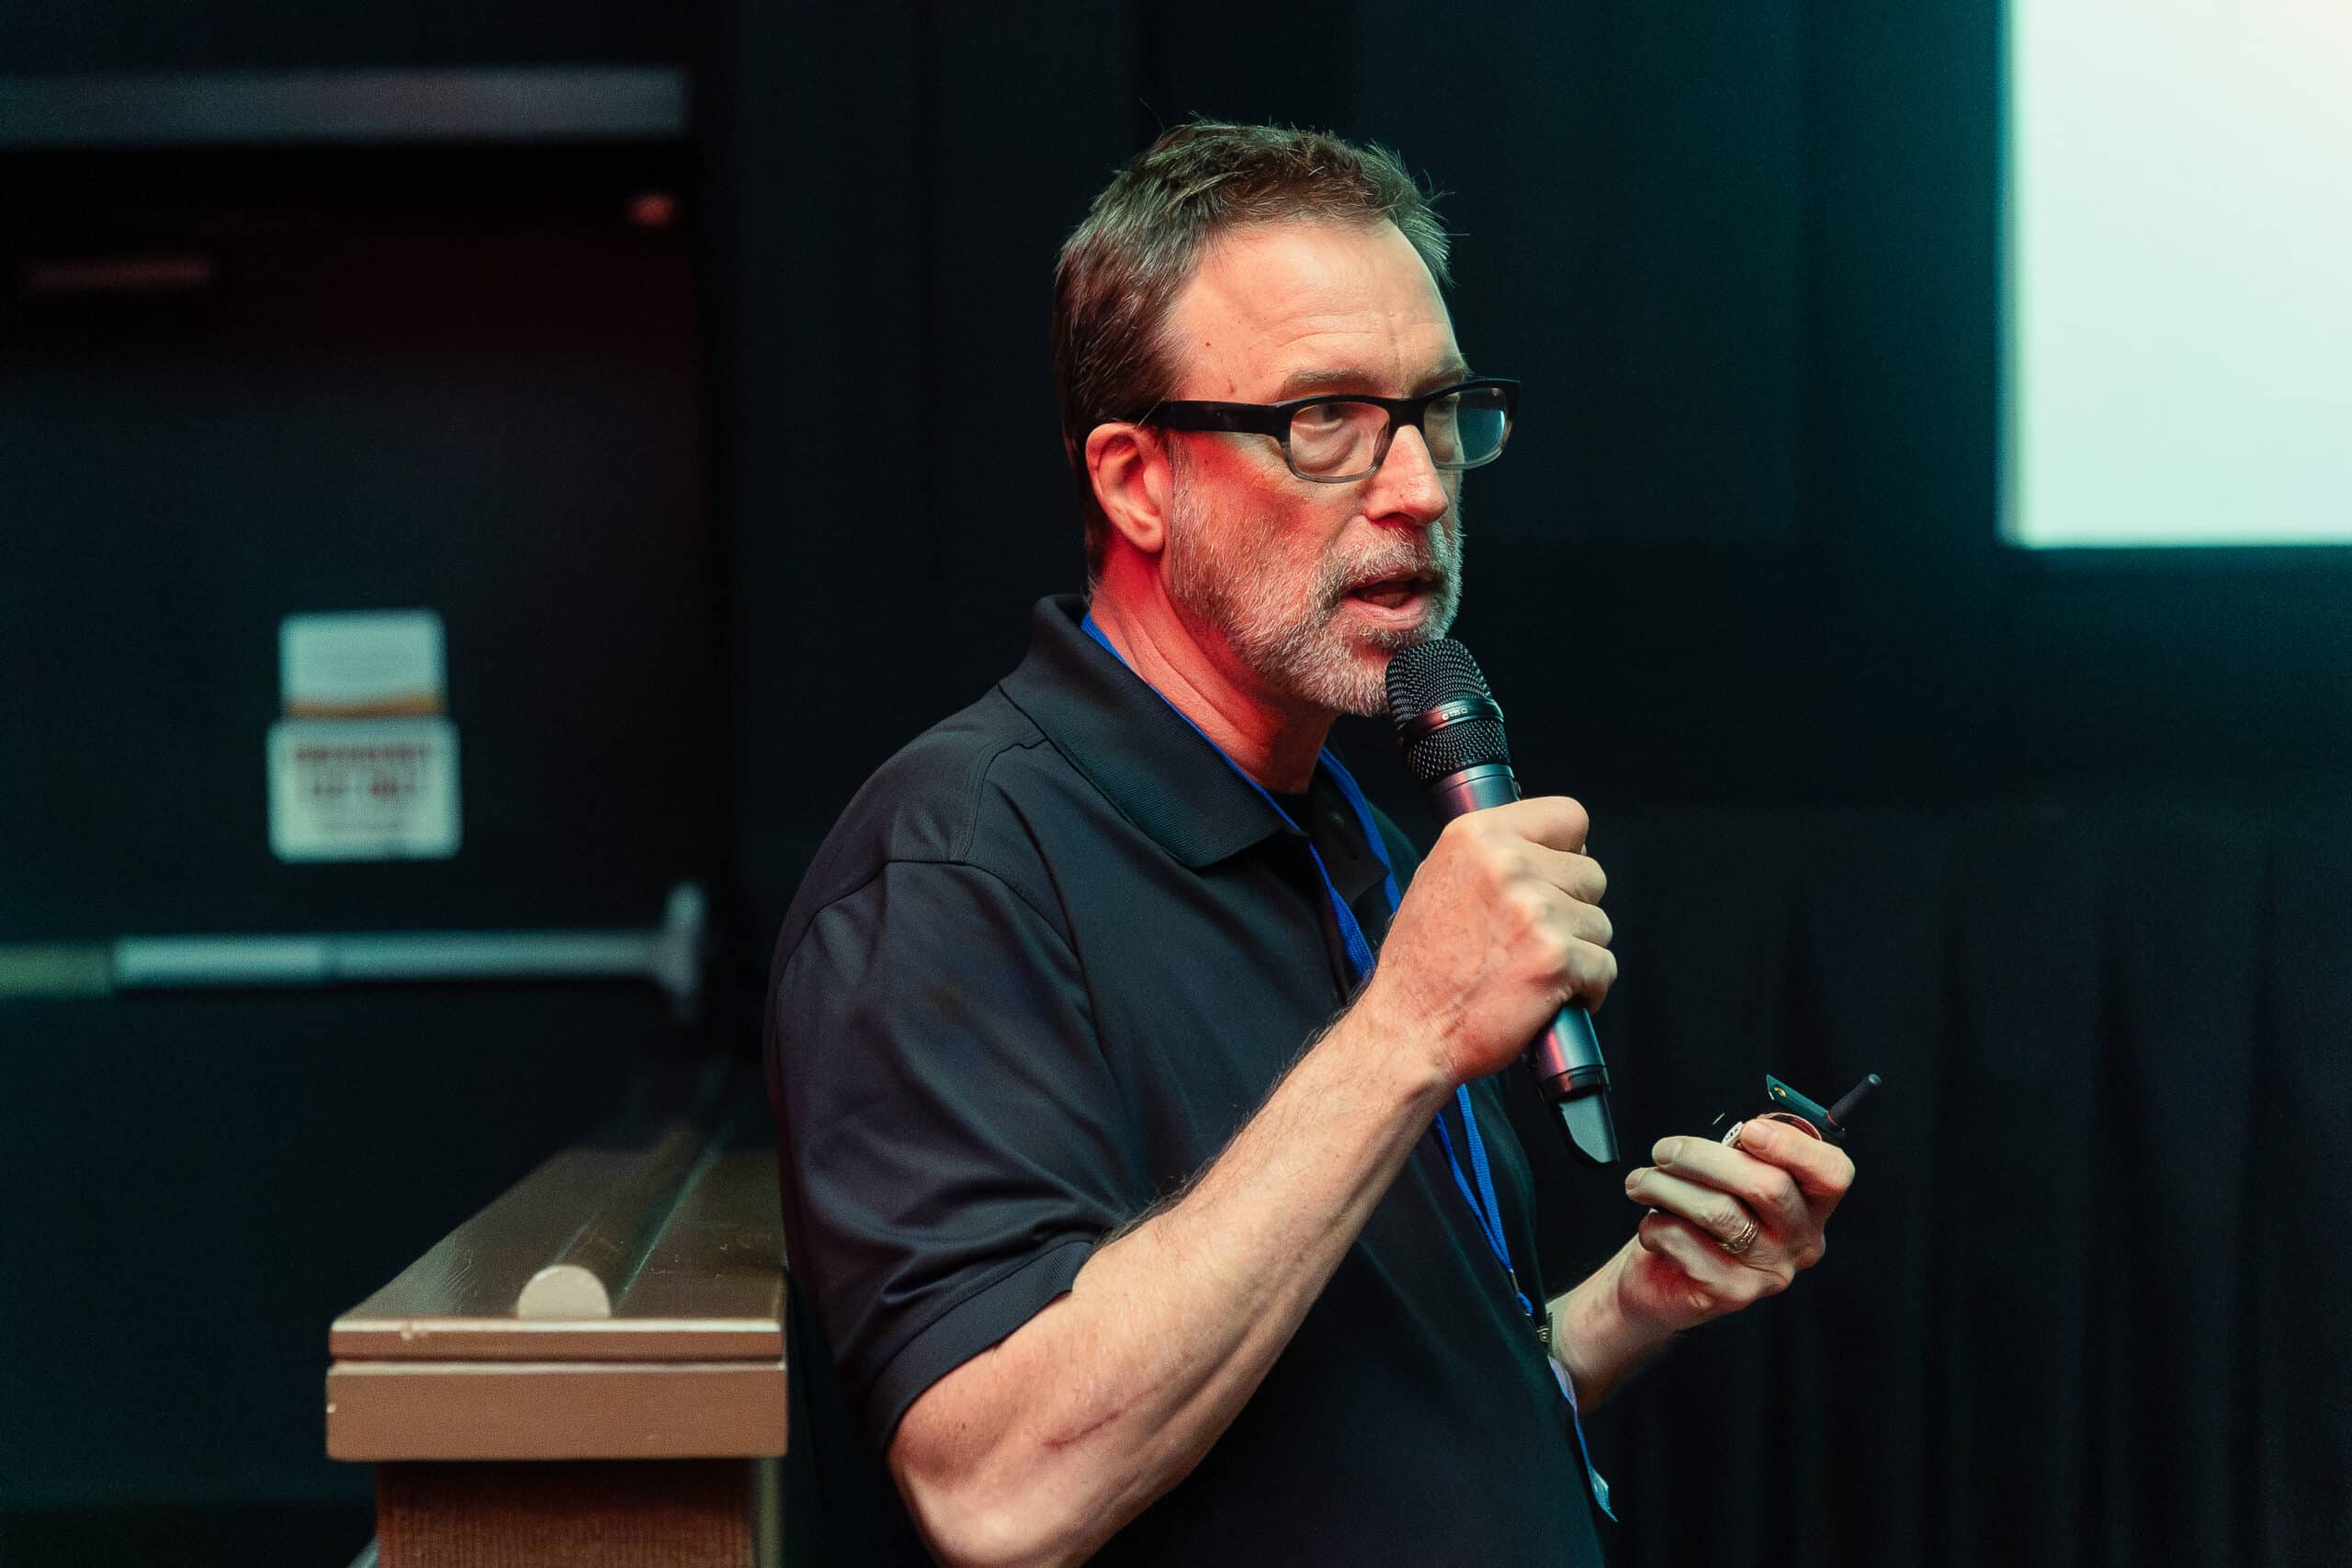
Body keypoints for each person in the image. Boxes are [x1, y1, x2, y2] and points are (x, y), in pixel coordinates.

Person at [764, 121, 1855, 1567]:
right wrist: (1406, 1030)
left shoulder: (1353, 833)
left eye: (1440, 411)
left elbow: (1352, 1435)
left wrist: (1630, 1305)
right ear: (1137, 480)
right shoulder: (955, 868)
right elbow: (1001, 1490)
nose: (1420, 487)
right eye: (1324, 417)